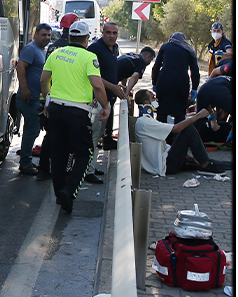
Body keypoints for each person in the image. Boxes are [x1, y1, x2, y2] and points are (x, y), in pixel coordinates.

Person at [40, 19, 109, 214]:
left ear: (69, 36)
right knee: (84, 154)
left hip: (55, 109)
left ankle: (59, 194)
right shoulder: (89, 57)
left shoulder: (55, 53)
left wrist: (47, 101)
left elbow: (44, 80)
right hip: (78, 112)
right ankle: (69, 192)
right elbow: (97, 85)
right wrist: (105, 106)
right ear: (87, 39)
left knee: (59, 153)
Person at [133, 90, 227, 175]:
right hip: (165, 166)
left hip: (163, 162)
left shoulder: (144, 121)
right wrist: (197, 116)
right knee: (188, 130)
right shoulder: (145, 122)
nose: (156, 99)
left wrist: (186, 155)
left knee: (185, 131)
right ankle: (205, 165)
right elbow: (176, 128)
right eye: (153, 98)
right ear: (146, 102)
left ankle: (204, 162)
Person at [16, 23, 53, 175]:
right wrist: (25, 89)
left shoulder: (42, 50)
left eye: (49, 35)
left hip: (36, 98)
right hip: (28, 97)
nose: (47, 38)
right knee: (33, 129)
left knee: (32, 129)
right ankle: (25, 163)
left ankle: (27, 160)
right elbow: (20, 67)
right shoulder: (30, 49)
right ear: (35, 34)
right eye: (44, 35)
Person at [88, 21, 126, 150]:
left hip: (110, 96)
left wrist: (119, 85)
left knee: (105, 128)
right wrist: (112, 86)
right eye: (108, 32)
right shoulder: (95, 48)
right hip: (96, 98)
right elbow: (93, 76)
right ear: (102, 33)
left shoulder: (115, 48)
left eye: (114, 33)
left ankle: (107, 141)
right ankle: (88, 167)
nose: (111, 36)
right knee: (94, 134)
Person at [154, 32, 201, 124]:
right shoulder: (189, 50)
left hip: (164, 81)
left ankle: (161, 135)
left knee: (162, 111)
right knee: (179, 113)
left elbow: (156, 67)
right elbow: (194, 71)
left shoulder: (165, 46)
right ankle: (178, 136)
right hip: (181, 83)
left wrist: (154, 83)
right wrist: (194, 88)